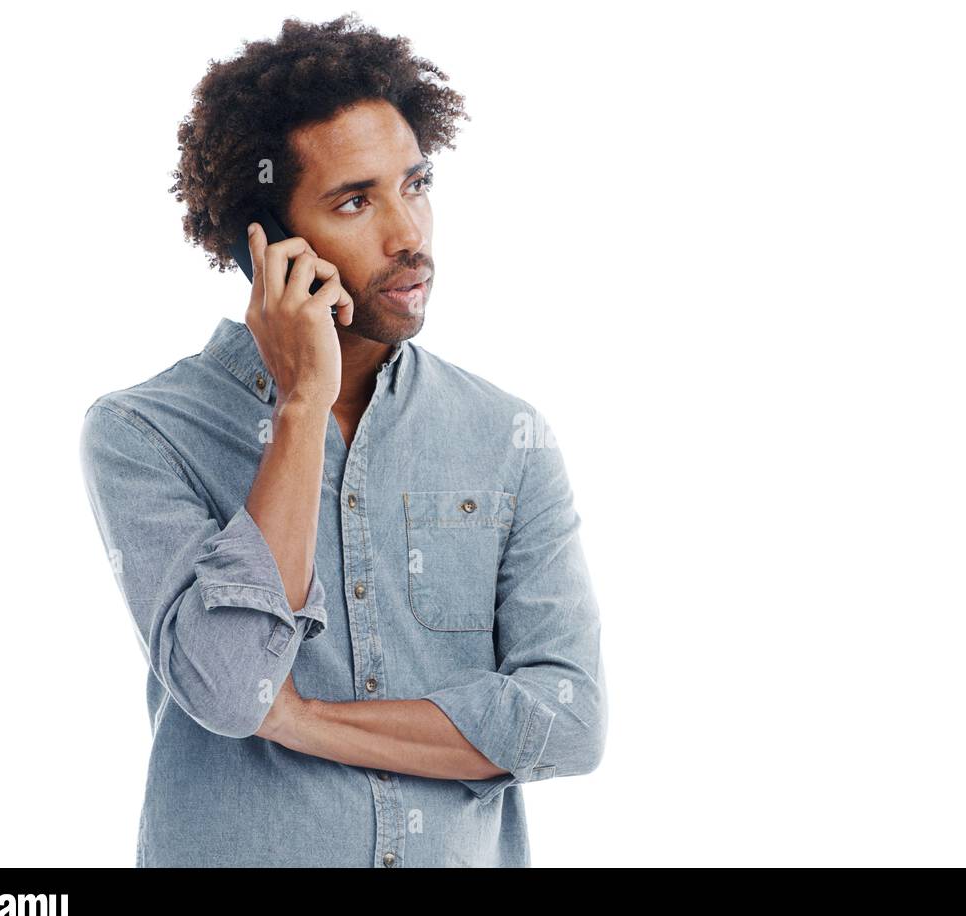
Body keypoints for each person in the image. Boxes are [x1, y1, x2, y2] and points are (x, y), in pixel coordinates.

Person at [78, 14, 606, 868]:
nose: (409, 234)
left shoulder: (507, 437)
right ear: (270, 243)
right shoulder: (144, 433)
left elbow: (569, 722)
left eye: (417, 182)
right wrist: (303, 405)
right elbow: (229, 683)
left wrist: (301, 719)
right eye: (356, 200)